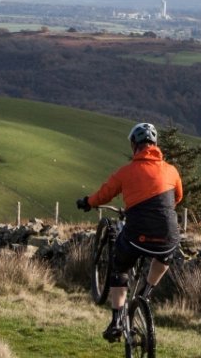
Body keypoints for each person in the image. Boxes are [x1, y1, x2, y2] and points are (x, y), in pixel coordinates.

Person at [76, 122, 183, 342]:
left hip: (138, 235)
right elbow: (178, 197)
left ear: (134, 146)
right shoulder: (171, 170)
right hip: (169, 234)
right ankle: (146, 293)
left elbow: (104, 195)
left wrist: (88, 202)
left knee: (120, 265)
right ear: (155, 145)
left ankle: (116, 320)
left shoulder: (126, 172)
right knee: (165, 254)